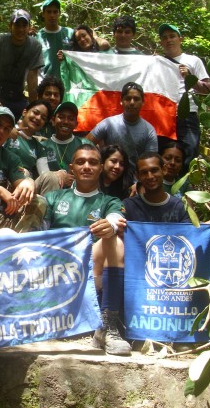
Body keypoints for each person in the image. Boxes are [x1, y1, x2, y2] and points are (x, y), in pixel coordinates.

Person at [42, 145, 131, 356]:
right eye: (80, 162)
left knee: (115, 240)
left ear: (101, 168)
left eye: (93, 162)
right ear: (71, 167)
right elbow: (38, 235)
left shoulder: (109, 201)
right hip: (53, 270)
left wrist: (111, 225)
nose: (87, 166)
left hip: (89, 271)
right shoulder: (53, 198)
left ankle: (107, 327)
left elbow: (116, 218)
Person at [158, 23, 210, 173]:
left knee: (189, 155)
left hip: (187, 115)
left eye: (172, 36)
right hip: (163, 116)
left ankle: (183, 191)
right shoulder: (157, 62)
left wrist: (190, 78)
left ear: (180, 39)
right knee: (161, 158)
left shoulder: (193, 60)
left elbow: (207, 89)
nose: (169, 40)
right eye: (164, 38)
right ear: (161, 42)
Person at [86, 82, 158, 178]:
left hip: (134, 184)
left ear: (143, 102)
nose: (132, 102)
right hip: (107, 179)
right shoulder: (108, 124)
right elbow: (84, 145)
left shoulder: (149, 130)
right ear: (121, 101)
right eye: (128, 99)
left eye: (136, 99)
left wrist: (139, 184)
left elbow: (152, 162)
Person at [0, 9, 44, 119]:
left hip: (18, 96)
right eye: (17, 25)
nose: (20, 29)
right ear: (10, 26)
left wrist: (33, 106)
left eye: (24, 25)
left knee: (29, 122)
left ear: (29, 27)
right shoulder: (0, 40)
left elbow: (32, 79)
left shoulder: (34, 46)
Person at [37, 101, 93, 194]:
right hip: (51, 193)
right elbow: (44, 176)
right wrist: (60, 178)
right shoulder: (43, 146)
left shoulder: (85, 145)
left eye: (70, 119)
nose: (66, 122)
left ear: (76, 124)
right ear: (53, 120)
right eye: (61, 117)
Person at [123, 152, 190, 223]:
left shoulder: (178, 206)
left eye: (154, 170)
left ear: (164, 170)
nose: (150, 176)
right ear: (138, 176)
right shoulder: (129, 206)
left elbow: (188, 231)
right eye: (144, 172)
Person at [5, 100, 52, 178]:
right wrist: (6, 132)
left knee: (51, 177)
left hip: (26, 184)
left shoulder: (39, 147)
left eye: (43, 118)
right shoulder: (6, 130)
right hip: (2, 177)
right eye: (35, 113)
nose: (38, 118)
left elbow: (45, 174)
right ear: (24, 112)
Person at [35, 0, 74, 79]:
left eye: (55, 12)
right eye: (48, 12)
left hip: (67, 83)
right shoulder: (37, 37)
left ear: (59, 13)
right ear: (43, 14)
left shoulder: (70, 33)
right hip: (44, 85)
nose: (52, 15)